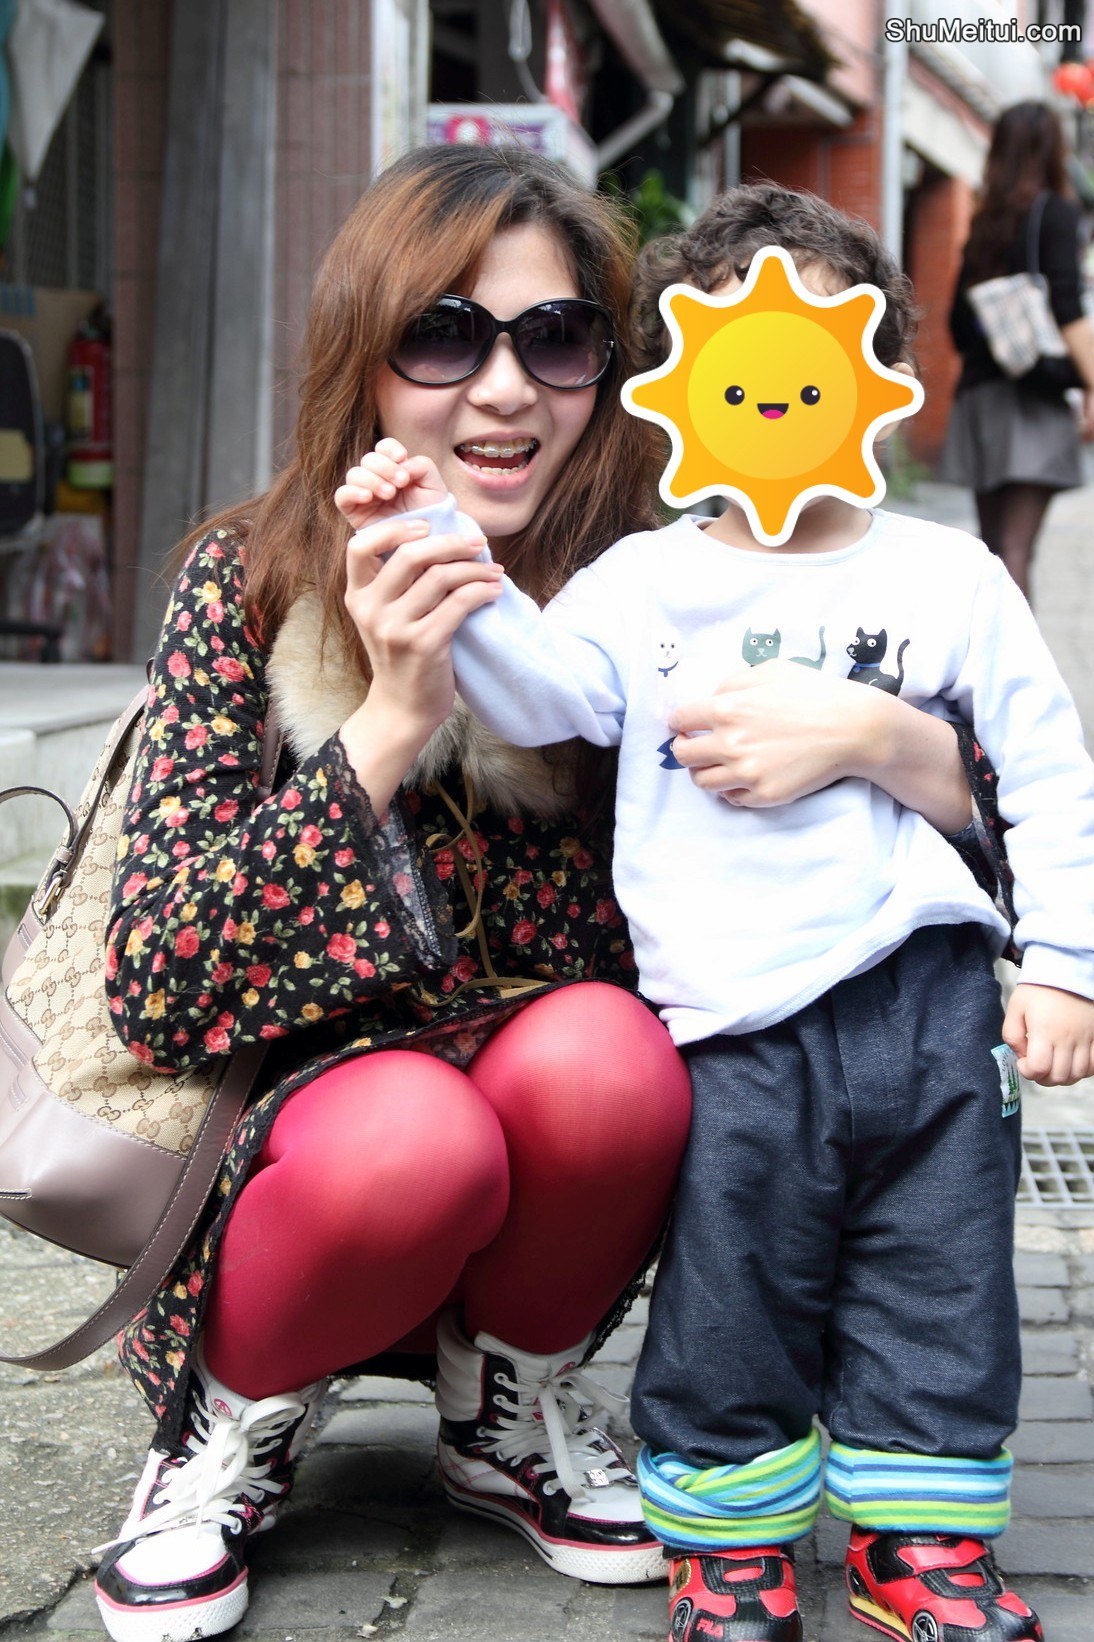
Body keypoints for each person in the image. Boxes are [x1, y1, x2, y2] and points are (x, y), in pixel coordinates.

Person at [96, 147, 997, 1642]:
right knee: (412, 1133)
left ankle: (505, 1409)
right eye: (444, 335)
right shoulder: (253, 583)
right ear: (364, 358)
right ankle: (226, 1428)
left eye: (557, 337)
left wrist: (892, 745)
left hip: (562, 1176)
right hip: (311, 1180)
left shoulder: (669, 580)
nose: (505, 389)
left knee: (611, 1059)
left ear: (620, 367)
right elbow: (162, 984)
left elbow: (1001, 831)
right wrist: (392, 717)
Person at [350, 182, 1094, 1641]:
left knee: (942, 1275)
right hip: (730, 1019)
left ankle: (920, 1536)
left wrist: (1063, 962)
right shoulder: (645, 581)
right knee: (731, 1282)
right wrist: (448, 551)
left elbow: (1048, 769)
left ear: (872, 371)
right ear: (680, 382)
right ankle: (730, 1536)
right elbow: (546, 695)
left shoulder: (946, 574)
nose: (773, 392)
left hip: (929, 1001)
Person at [940, 100, 1094, 600]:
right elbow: (1068, 308)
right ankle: (1017, 655)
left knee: (995, 550)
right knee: (1017, 548)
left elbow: (957, 326)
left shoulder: (984, 222)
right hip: (1033, 401)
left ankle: (987, 650)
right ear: (1052, 149)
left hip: (979, 400)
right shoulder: (1057, 213)